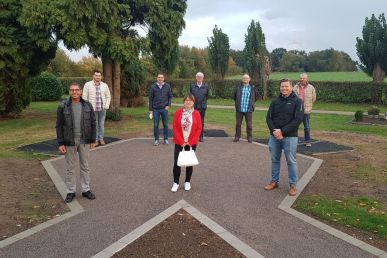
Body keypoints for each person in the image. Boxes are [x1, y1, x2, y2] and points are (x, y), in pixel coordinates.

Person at [56, 83, 97, 203]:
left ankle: (86, 189)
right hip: (69, 141)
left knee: (85, 166)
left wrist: (93, 140)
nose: (74, 92)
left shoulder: (87, 105)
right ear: (69, 92)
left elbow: (93, 123)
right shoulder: (63, 106)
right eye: (72, 90)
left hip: (84, 141)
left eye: (76, 90)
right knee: (70, 167)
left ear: (80, 92)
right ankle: (70, 191)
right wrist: (60, 143)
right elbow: (58, 126)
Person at [265, 79, 304, 196]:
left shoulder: (297, 101)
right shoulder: (275, 101)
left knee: (291, 161)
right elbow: (268, 118)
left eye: (286, 86)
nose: (284, 88)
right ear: (280, 88)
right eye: (282, 86)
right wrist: (275, 132)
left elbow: (298, 120)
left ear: (291, 87)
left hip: (290, 137)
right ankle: (274, 181)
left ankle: (293, 185)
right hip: (274, 137)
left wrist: (282, 131)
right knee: (275, 160)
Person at [171, 94, 202, 192]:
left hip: (191, 143)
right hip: (179, 142)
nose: (188, 102)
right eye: (186, 100)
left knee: (189, 163)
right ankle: (175, 182)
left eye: (190, 100)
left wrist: (190, 142)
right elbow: (175, 127)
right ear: (183, 102)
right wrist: (181, 142)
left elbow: (199, 128)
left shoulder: (196, 113)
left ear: (193, 102)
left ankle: (187, 181)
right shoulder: (178, 112)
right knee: (177, 163)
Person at [82, 70, 111, 146]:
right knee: (95, 124)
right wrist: (87, 107)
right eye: (96, 75)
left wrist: (106, 106)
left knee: (101, 124)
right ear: (93, 76)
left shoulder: (104, 85)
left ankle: (101, 139)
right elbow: (84, 97)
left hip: (102, 109)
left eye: (99, 75)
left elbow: (108, 96)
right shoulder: (87, 84)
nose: (97, 77)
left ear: (101, 77)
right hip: (92, 109)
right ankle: (96, 140)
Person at [233, 74, 258, 143]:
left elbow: (255, 97)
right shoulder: (238, 88)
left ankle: (249, 137)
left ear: (249, 79)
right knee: (238, 124)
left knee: (249, 125)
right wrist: (237, 104)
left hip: (248, 110)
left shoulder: (253, 88)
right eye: (244, 78)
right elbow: (235, 97)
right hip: (239, 110)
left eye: (247, 78)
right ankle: (237, 136)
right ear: (242, 79)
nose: (245, 79)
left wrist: (252, 104)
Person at [149, 73, 173, 146]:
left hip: (164, 109)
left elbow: (170, 96)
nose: (160, 79)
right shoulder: (153, 87)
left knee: (165, 125)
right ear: (157, 78)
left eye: (161, 77)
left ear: (163, 78)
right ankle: (156, 140)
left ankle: (166, 139)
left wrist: (168, 105)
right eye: (159, 77)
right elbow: (150, 99)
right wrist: (150, 110)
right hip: (155, 109)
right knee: (156, 125)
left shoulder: (167, 86)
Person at [293, 73, 316, 147]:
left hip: (306, 110)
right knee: (294, 126)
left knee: (307, 127)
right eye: (301, 78)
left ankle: (307, 141)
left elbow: (314, 98)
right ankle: (294, 140)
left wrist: (309, 106)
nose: (302, 79)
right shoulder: (295, 87)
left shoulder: (311, 87)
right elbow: (292, 97)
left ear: (306, 79)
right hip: (297, 110)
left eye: (303, 78)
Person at [190, 72, 208, 142]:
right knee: (193, 122)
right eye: (198, 77)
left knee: (201, 122)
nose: (199, 78)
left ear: (203, 78)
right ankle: (194, 136)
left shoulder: (206, 86)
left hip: (202, 107)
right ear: (196, 78)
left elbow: (206, 97)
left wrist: (204, 104)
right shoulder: (192, 86)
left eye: (200, 77)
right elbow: (190, 96)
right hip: (194, 107)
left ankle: (201, 136)